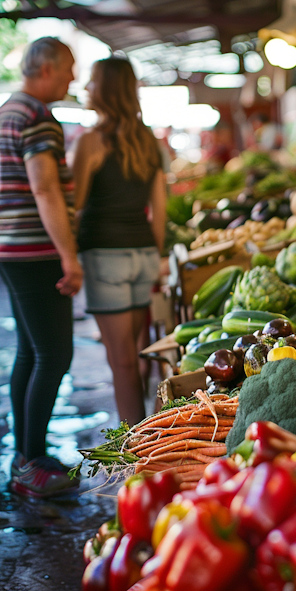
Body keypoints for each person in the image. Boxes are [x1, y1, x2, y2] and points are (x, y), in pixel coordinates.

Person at [0, 37, 83, 497]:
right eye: (69, 68)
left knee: (32, 352)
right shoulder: (37, 117)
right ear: (46, 68)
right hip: (36, 253)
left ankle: (27, 454)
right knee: (54, 354)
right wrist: (69, 257)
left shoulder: (7, 111)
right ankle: (31, 464)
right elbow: (45, 189)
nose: (73, 78)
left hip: (12, 251)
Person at [70, 57, 166, 427]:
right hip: (142, 253)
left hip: (104, 257)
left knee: (122, 360)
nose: (86, 89)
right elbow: (159, 209)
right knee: (138, 354)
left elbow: (75, 205)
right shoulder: (149, 141)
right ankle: (148, 428)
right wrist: (154, 255)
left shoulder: (90, 142)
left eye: (92, 82)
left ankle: (136, 445)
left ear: (107, 90)